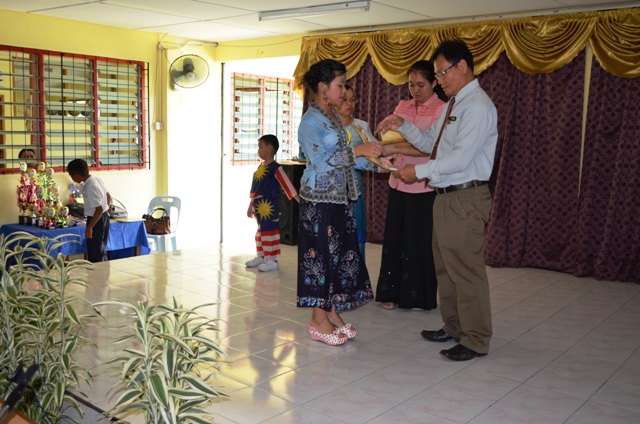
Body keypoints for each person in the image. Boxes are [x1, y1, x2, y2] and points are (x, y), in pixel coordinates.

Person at [377, 40, 498, 361]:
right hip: (444, 197)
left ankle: (475, 339)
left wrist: (418, 171)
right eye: (437, 74)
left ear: (462, 67)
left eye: (442, 73)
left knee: (466, 270)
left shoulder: (478, 107)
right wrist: (405, 125)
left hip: (466, 197)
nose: (439, 80)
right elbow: (432, 142)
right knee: (445, 268)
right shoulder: (455, 104)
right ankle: (455, 326)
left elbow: (460, 158)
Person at [297, 59, 383, 346]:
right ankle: (317, 320)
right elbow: (320, 163)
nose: (345, 91)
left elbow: (348, 160)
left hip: (339, 200)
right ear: (323, 87)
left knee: (336, 259)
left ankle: (330, 310)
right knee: (321, 261)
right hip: (319, 202)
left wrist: (381, 164)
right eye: (340, 85)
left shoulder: (331, 116)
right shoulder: (310, 122)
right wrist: (359, 149)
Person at [375, 60, 447, 311]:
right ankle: (390, 292)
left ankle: (418, 297)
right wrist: (386, 154)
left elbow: (431, 147)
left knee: (419, 243)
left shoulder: (441, 109)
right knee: (395, 239)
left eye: (421, 85)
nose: (415, 90)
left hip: (423, 184)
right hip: (398, 181)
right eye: (411, 84)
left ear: (435, 83)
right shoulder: (402, 106)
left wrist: (393, 147)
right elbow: (393, 139)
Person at [245, 134, 300, 272]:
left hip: (270, 206)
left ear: (269, 148)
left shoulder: (276, 168)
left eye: (260, 147)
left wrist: (299, 201)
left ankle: (272, 259)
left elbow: (287, 185)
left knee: (270, 232)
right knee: (261, 232)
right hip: (259, 207)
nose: (258, 150)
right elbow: (257, 190)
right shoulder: (261, 167)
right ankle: (262, 256)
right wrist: (251, 206)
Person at [335, 84, 378, 258]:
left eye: (353, 100)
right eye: (345, 100)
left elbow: (375, 155)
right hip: (330, 189)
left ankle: (356, 279)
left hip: (353, 188)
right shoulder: (325, 128)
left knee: (356, 230)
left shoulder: (361, 126)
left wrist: (389, 163)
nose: (349, 104)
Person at [67, 159, 112, 263]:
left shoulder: (91, 186)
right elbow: (108, 196)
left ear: (77, 174)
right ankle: (102, 275)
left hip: (96, 219)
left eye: (71, 176)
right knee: (100, 249)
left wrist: (90, 228)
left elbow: (99, 209)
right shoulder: (97, 180)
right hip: (103, 217)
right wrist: (106, 210)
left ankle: (98, 276)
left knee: (95, 253)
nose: (72, 179)